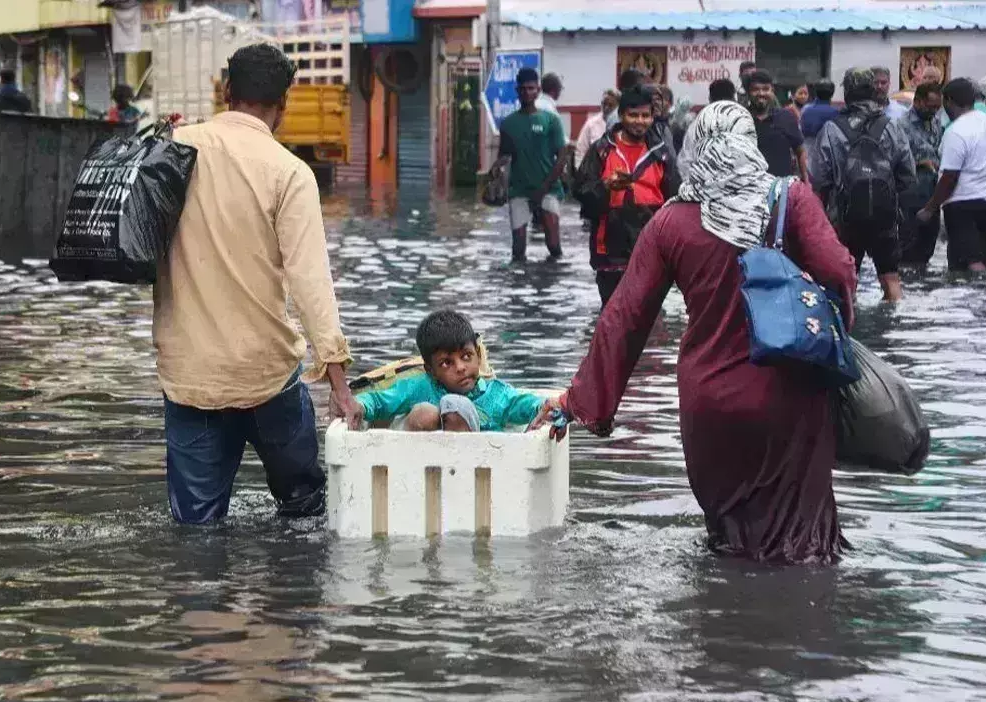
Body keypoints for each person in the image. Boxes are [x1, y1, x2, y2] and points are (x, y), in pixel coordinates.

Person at [533, 101, 858, 565]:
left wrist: (582, 402)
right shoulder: (791, 199)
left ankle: (723, 628)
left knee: (728, 545)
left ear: (696, 149)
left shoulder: (671, 220)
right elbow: (840, 272)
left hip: (710, 407)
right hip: (790, 398)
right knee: (802, 550)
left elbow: (624, 318)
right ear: (749, 144)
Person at [155, 43, 358, 524]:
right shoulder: (289, 173)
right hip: (267, 376)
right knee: (306, 513)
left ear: (227, 92)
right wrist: (338, 383)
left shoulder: (172, 149)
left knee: (195, 531)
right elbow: (311, 284)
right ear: (282, 106)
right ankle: (292, 598)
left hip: (190, 377)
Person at [348, 310, 549, 432]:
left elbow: (523, 404)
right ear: (431, 370)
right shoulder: (420, 387)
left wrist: (544, 406)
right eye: (446, 363)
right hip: (422, 476)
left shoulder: (496, 395)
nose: (460, 368)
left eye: (466, 356)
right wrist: (361, 405)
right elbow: (380, 401)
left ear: (478, 355)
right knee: (426, 414)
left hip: (482, 478)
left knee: (456, 408)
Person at [810, 67, 915, 301]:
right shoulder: (891, 126)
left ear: (846, 93)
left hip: (845, 218)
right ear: (873, 91)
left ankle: (850, 327)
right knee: (890, 278)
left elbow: (819, 179)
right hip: (884, 216)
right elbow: (908, 174)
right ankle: (893, 327)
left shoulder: (831, 129)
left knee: (847, 279)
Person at [575, 86, 680, 305]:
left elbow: (675, 201)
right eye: (633, 115)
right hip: (610, 250)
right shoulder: (601, 150)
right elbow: (580, 191)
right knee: (612, 315)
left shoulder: (661, 154)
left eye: (645, 116)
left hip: (650, 249)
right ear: (621, 116)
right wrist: (606, 186)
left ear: (652, 117)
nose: (639, 121)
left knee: (645, 318)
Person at [917, 78, 986, 273]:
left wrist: (929, 208)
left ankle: (981, 296)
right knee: (977, 259)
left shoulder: (955, 131)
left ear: (948, 101)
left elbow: (949, 177)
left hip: (962, 206)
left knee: (970, 262)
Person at [496, 67, 569, 261]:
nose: (527, 93)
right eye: (523, 89)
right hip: (519, 190)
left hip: (549, 189)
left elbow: (562, 156)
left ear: (538, 90)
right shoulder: (508, 124)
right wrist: (496, 179)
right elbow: (503, 157)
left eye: (531, 88)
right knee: (518, 250)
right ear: (517, 90)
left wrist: (544, 187)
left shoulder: (551, 120)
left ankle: (553, 282)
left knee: (554, 247)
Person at [896, 81, 946, 267]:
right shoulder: (901, 125)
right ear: (917, 102)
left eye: (937, 107)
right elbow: (892, 160)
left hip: (933, 194)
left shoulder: (936, 123)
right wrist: (918, 163)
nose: (933, 111)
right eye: (930, 106)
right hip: (909, 194)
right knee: (907, 248)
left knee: (928, 246)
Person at [746, 70, 807, 180]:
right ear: (748, 92)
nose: (761, 93)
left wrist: (806, 181)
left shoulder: (786, 117)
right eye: (755, 89)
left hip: (780, 190)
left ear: (772, 91)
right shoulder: (741, 118)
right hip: (749, 189)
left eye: (765, 89)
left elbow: (800, 151)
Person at [575, 89, 620, 162]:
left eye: (610, 105)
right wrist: (579, 170)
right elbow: (581, 150)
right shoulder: (591, 124)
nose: (606, 108)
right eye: (604, 104)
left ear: (618, 106)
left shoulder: (623, 125)